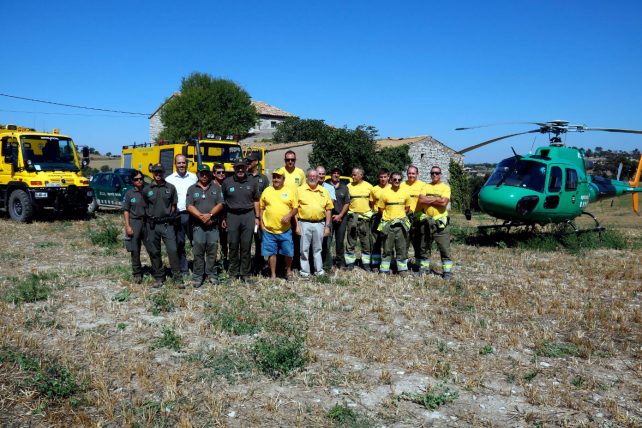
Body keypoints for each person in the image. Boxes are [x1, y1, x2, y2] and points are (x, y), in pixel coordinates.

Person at [221, 159, 260, 282]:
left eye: (242, 167)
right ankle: (233, 273)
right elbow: (223, 202)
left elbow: (256, 200)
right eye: (237, 167)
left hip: (248, 215)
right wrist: (223, 217)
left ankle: (245, 274)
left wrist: (257, 217)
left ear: (246, 167)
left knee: (246, 245)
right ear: (234, 168)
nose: (240, 169)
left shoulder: (253, 182)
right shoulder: (227, 182)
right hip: (232, 215)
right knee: (232, 245)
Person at [144, 163, 182, 288]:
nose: (158, 174)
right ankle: (159, 277)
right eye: (156, 172)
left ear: (163, 172)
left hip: (167, 224)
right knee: (154, 252)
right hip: (153, 225)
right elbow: (145, 206)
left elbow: (174, 205)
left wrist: (169, 216)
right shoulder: (147, 189)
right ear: (152, 173)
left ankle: (177, 278)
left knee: (173, 250)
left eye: (160, 172)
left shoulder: (170, 188)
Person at [186, 165, 224, 288]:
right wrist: (201, 217)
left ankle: (211, 274)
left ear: (210, 174)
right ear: (198, 174)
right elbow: (189, 206)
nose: (204, 176)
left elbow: (221, 204)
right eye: (202, 173)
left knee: (212, 250)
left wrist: (210, 215)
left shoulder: (216, 188)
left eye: (206, 173)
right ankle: (198, 276)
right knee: (198, 251)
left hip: (212, 225)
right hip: (198, 226)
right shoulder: (192, 189)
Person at [259, 168, 298, 280]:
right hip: (269, 230)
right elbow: (261, 208)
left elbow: (295, 208)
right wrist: (261, 223)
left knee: (288, 252)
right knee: (271, 253)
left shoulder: (289, 192)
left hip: (285, 230)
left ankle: (289, 271)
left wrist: (289, 215)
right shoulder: (267, 191)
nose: (276, 179)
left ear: (283, 179)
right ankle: (273, 275)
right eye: (274, 177)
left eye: (278, 177)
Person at [417, 165, 453, 280]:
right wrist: (437, 199)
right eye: (432, 173)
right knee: (424, 247)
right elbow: (421, 200)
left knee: (444, 248)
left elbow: (444, 203)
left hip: (440, 222)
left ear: (440, 174)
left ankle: (447, 272)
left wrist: (429, 200)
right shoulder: (425, 186)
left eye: (437, 173)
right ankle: (424, 269)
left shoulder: (445, 187)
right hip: (427, 221)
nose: (434, 175)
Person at [296, 168, 333, 277]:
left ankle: (319, 271)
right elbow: (294, 209)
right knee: (304, 249)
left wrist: (327, 226)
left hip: (319, 223)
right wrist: (297, 225)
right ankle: (305, 272)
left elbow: (328, 209)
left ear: (318, 178)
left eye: (315, 176)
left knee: (318, 249)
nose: (313, 178)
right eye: (310, 176)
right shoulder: (299, 190)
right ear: (307, 177)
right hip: (304, 223)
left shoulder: (324, 191)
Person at [165, 154, 197, 278]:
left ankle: (198, 268)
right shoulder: (169, 179)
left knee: (196, 243)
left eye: (183, 163)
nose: (182, 165)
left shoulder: (194, 177)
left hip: (192, 215)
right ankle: (184, 270)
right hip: (178, 215)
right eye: (179, 163)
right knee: (180, 244)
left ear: (187, 163)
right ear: (175, 164)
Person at [377, 172, 411, 275]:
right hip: (388, 225)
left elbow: (407, 208)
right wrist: (389, 217)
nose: (397, 181)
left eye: (399, 180)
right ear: (390, 180)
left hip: (401, 226)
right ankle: (384, 270)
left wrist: (400, 216)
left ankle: (402, 270)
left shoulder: (405, 193)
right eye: (395, 179)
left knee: (401, 248)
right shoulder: (384, 193)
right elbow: (380, 209)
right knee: (387, 249)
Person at [122, 170, 150, 284]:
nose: (139, 181)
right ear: (132, 181)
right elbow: (126, 210)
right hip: (135, 222)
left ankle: (157, 271)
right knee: (135, 249)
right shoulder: (129, 193)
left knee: (152, 248)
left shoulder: (148, 191)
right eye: (136, 179)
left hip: (147, 222)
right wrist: (128, 226)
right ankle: (137, 273)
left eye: (141, 179)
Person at [345, 167, 374, 270]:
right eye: (352, 174)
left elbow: (372, 203)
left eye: (354, 175)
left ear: (361, 175)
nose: (352, 176)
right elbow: (346, 203)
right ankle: (350, 264)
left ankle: (366, 265)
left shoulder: (369, 187)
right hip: (352, 219)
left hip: (365, 219)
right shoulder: (348, 186)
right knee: (350, 241)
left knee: (365, 242)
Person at [246, 153, 269, 275]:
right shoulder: (245, 176)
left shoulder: (263, 178)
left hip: (260, 213)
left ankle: (259, 264)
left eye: (250, 161)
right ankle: (247, 265)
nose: (248, 163)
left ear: (256, 162)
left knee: (259, 240)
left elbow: (267, 196)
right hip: (248, 213)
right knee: (247, 240)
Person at [400, 165, 426, 271]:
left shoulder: (423, 185)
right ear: (407, 174)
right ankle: (403, 266)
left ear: (417, 174)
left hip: (418, 217)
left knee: (418, 242)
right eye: (409, 173)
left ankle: (418, 265)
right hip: (404, 217)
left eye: (413, 173)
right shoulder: (401, 185)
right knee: (403, 241)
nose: (411, 175)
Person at [325, 167, 350, 270]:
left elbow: (347, 203)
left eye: (338, 173)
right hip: (329, 217)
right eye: (334, 173)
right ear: (331, 174)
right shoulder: (325, 186)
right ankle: (327, 262)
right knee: (327, 241)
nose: (336, 175)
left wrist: (340, 215)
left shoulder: (344, 187)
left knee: (340, 241)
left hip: (341, 217)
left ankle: (340, 262)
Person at [369, 168, 390, 272]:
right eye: (381, 177)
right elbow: (372, 204)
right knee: (376, 241)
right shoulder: (374, 189)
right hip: (377, 217)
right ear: (378, 178)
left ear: (388, 177)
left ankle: (389, 263)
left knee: (389, 242)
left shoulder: (392, 188)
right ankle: (376, 264)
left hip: (389, 218)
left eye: (385, 177)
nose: (383, 179)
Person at [315, 165, 335, 271]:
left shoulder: (329, 188)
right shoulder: (309, 186)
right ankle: (314, 265)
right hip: (313, 220)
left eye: (323, 174)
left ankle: (326, 266)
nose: (321, 176)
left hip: (325, 219)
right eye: (319, 173)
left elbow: (331, 204)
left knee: (326, 244)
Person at [212, 164, 228, 270]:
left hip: (225, 217)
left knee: (224, 241)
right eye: (218, 172)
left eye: (223, 172)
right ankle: (212, 263)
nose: (221, 174)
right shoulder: (210, 185)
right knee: (213, 242)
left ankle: (224, 261)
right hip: (213, 217)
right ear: (214, 174)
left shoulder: (226, 185)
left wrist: (224, 218)